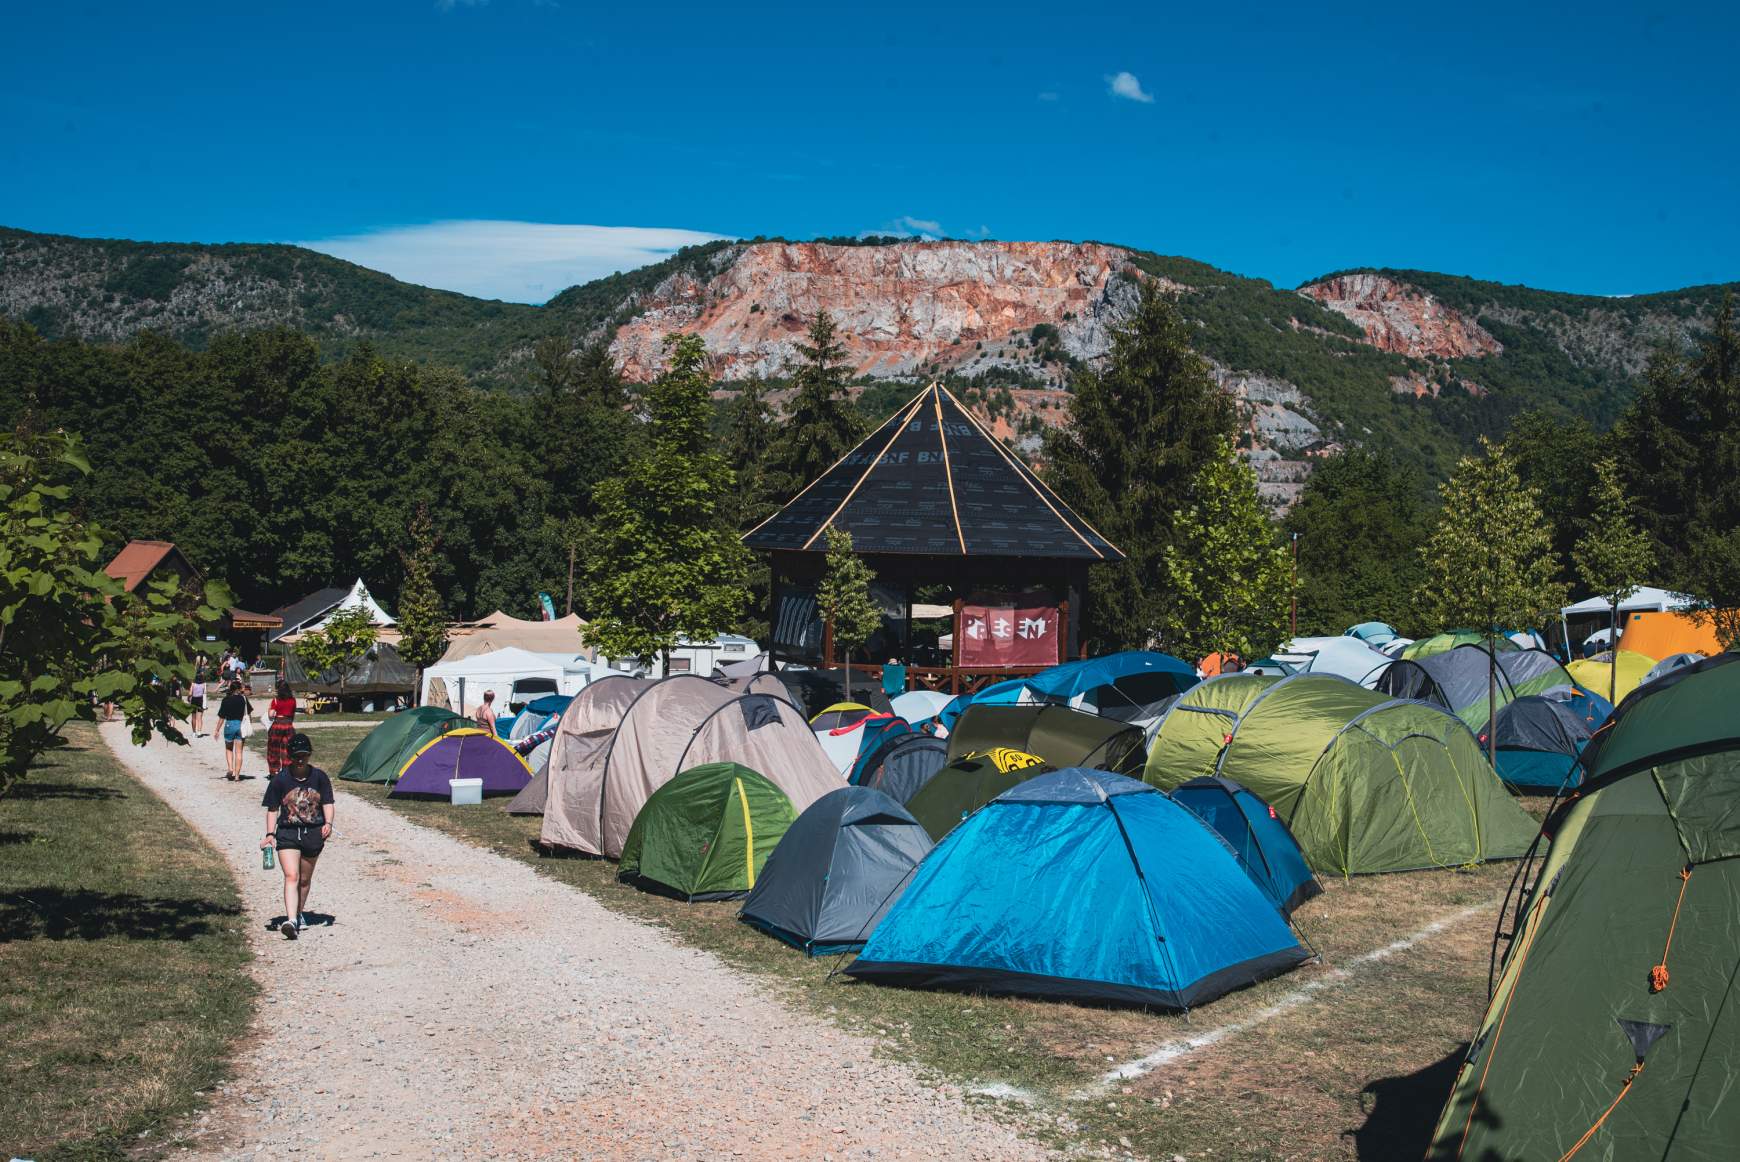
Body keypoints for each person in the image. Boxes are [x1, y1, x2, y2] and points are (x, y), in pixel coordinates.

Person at [259, 733, 333, 940]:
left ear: (309, 755)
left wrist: (328, 823)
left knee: (304, 880)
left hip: (313, 833)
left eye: (304, 755)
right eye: (296, 756)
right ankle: (290, 920)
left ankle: (299, 913)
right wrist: (269, 834)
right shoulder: (280, 780)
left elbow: (328, 802)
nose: (300, 759)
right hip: (288, 833)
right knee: (292, 875)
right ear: (290, 756)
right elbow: (272, 809)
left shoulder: (320, 777)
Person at [215, 680, 251, 781]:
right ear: (239, 689)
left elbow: (221, 717)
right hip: (240, 725)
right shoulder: (244, 699)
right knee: (239, 752)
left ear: (230, 689)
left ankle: (230, 768)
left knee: (229, 748)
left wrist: (217, 730)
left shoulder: (226, 700)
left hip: (229, 725)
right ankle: (237, 776)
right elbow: (248, 714)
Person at [265, 681, 298, 776]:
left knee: (273, 749)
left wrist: (269, 709)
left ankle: (274, 771)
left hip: (277, 725)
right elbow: (293, 714)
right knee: (287, 749)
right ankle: (287, 770)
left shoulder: (275, 700)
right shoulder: (293, 700)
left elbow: (271, 715)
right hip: (288, 724)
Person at [188, 664, 208, 737]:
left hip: (194, 700)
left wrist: (188, 697)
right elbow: (205, 693)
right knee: (200, 717)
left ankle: (194, 732)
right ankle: (199, 731)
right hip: (200, 700)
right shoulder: (204, 684)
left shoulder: (193, 684)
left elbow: (190, 693)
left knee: (193, 717)